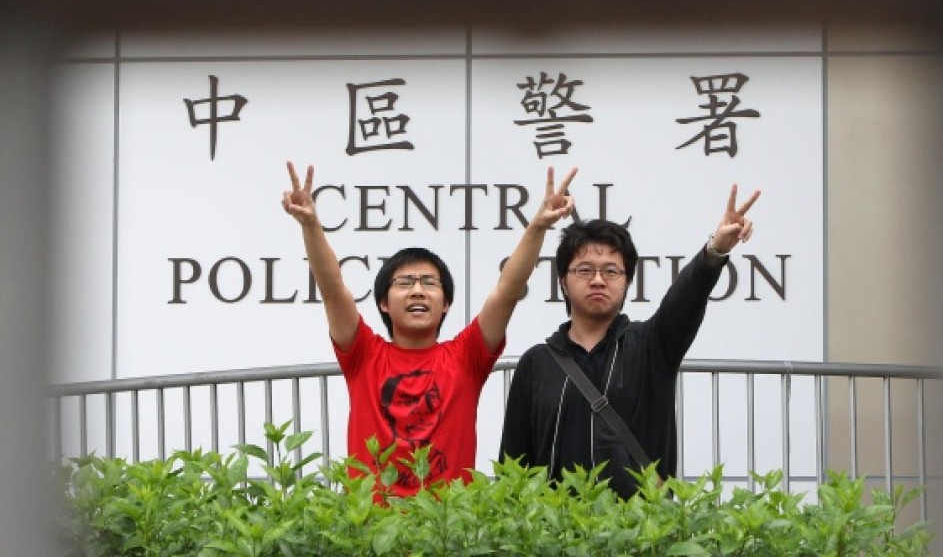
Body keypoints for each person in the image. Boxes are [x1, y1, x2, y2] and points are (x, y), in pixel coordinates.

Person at [282, 161, 576, 497]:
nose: (418, 290)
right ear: (383, 303)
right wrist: (310, 225)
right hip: (371, 534)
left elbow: (508, 289)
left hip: (446, 532)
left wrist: (537, 226)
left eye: (430, 283)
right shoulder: (363, 354)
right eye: (405, 282)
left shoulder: (467, 356)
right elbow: (332, 287)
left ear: (446, 303)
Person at [498, 185, 760, 498]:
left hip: (635, 532)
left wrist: (715, 251)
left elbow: (686, 299)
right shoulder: (537, 363)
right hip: (556, 535)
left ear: (627, 282)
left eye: (611, 271)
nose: (598, 280)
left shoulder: (651, 346)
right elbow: (512, 467)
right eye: (584, 270)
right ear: (562, 282)